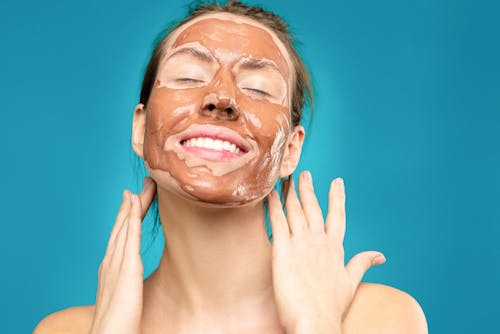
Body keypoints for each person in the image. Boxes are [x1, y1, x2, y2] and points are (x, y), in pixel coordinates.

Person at [34, 1, 428, 333]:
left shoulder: (378, 319)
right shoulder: (65, 331)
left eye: (257, 88)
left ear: (290, 149)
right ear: (140, 129)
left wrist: (316, 323)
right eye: (189, 76)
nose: (221, 97)